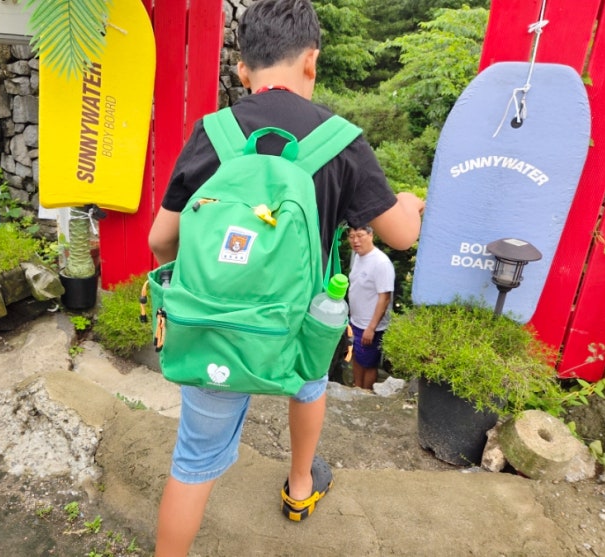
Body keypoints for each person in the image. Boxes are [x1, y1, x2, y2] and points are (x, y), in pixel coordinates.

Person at [147, 1, 424, 554]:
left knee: (193, 461)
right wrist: (409, 203)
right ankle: (300, 486)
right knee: (309, 384)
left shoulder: (213, 133)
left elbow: (160, 240)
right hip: (301, 326)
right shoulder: (341, 140)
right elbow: (401, 237)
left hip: (214, 327)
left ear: (242, 71)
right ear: (312, 61)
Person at [347, 225, 394, 390]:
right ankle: (357, 388)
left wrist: (371, 328)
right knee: (356, 356)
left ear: (371, 235)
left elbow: (385, 298)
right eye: (351, 236)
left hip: (371, 325)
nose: (355, 241)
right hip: (356, 321)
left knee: (369, 363)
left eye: (360, 235)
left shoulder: (381, 263)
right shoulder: (358, 256)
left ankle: (365, 393)